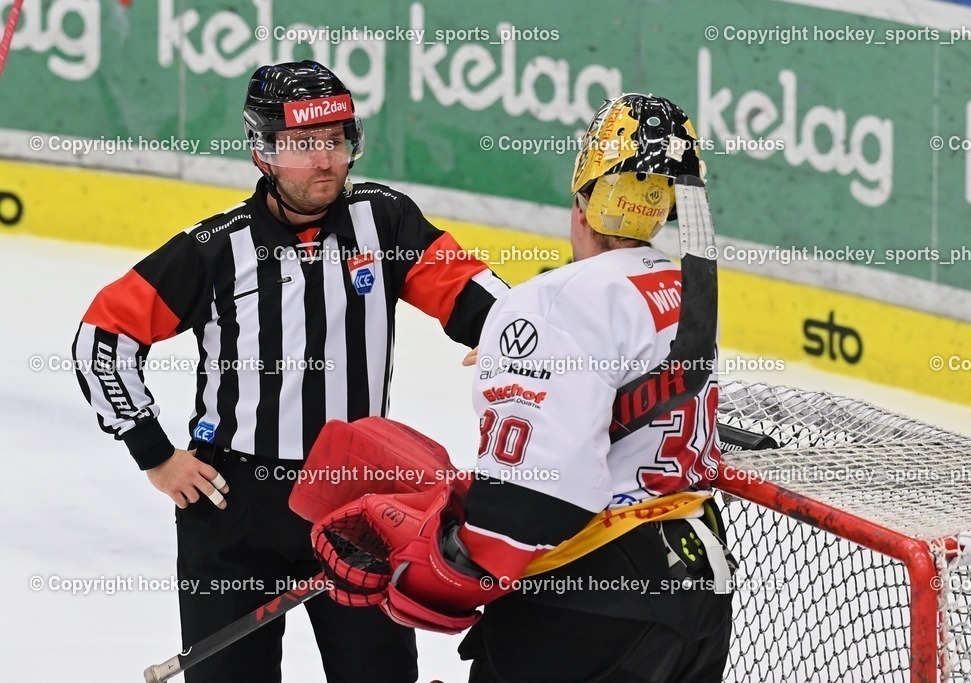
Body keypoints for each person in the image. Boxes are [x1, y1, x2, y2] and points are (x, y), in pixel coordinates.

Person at [71, 60, 507, 683]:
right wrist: (154, 454)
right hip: (233, 511)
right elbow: (101, 336)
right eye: (303, 145)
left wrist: (509, 332)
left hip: (357, 502)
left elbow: (468, 287)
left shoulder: (383, 221)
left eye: (335, 141)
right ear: (263, 152)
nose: (325, 160)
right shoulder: (214, 249)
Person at [313, 93, 734, 683]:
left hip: (589, 602)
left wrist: (426, 564)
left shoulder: (555, 301)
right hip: (698, 586)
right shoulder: (681, 289)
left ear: (582, 204)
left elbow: (533, 506)